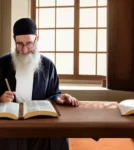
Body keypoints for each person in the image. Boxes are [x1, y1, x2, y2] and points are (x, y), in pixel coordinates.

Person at [0, 18, 79, 150]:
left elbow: (53, 93)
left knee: (58, 135)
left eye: (29, 44)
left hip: (39, 124)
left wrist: (58, 98)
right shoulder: (2, 64)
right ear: (14, 39)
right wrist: (0, 98)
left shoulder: (48, 66)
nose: (24, 50)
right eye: (19, 44)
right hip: (10, 126)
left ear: (37, 38)